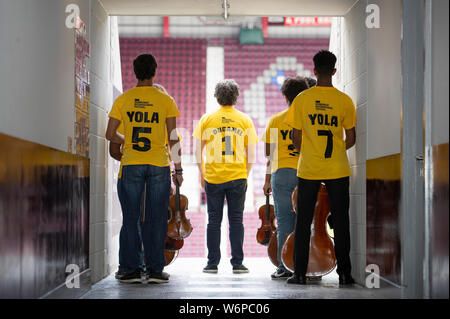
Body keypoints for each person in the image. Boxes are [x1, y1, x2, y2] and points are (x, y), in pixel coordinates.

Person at [106, 54, 183, 284]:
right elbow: (173, 138)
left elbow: (110, 135)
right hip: (159, 164)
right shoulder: (165, 100)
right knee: (157, 218)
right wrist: (177, 169)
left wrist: (127, 140)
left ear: (134, 72)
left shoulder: (124, 99)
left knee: (130, 217)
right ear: (154, 72)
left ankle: (130, 269)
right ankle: (155, 270)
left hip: (131, 164)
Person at [285, 50, 356, 285]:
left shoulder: (302, 100)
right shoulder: (345, 100)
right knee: (341, 221)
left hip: (309, 169)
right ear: (334, 71)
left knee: (303, 222)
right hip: (338, 168)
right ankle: (345, 274)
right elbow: (352, 138)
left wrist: (308, 151)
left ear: (314, 71)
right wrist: (336, 151)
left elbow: (296, 137)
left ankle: (299, 274)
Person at [193, 79, 258, 274]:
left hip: (213, 177)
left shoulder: (207, 119)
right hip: (237, 176)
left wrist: (201, 172)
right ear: (236, 96)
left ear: (217, 96)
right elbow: (252, 154)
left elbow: (198, 150)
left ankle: (212, 263)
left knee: (213, 220)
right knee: (236, 220)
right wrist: (244, 175)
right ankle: (237, 262)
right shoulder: (244, 120)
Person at [262, 76, 315, 280]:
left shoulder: (276, 120)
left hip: (282, 172)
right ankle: (308, 265)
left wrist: (267, 180)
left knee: (284, 221)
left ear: (285, 96)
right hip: (306, 172)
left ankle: (284, 267)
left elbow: (269, 154)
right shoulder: (308, 118)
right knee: (306, 221)